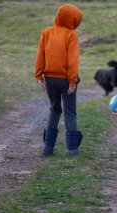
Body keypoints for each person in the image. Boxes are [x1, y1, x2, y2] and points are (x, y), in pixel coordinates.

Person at [35, 4, 83, 156]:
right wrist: (73, 81)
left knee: (55, 109)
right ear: (73, 20)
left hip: (49, 79)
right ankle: (73, 151)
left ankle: (47, 148)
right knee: (70, 112)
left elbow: (40, 54)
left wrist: (38, 75)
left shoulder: (46, 32)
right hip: (65, 81)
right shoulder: (71, 35)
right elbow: (73, 60)